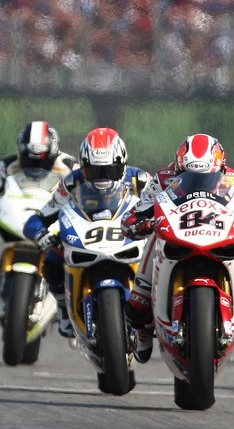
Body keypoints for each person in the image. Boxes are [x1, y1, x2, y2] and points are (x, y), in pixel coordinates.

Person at [126, 133, 234, 357]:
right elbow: (135, 212)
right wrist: (139, 223)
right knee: (137, 302)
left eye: (208, 175)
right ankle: (143, 329)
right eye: (188, 174)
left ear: (220, 168)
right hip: (178, 233)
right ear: (178, 167)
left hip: (218, 232)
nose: (198, 179)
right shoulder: (163, 179)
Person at [25, 127, 157, 341]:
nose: (103, 178)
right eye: (95, 171)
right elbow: (40, 216)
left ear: (121, 163)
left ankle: (159, 308)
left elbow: (164, 203)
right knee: (51, 259)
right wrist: (41, 234)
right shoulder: (71, 182)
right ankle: (64, 309)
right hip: (86, 234)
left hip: (127, 235)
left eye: (109, 170)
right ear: (84, 166)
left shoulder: (140, 180)